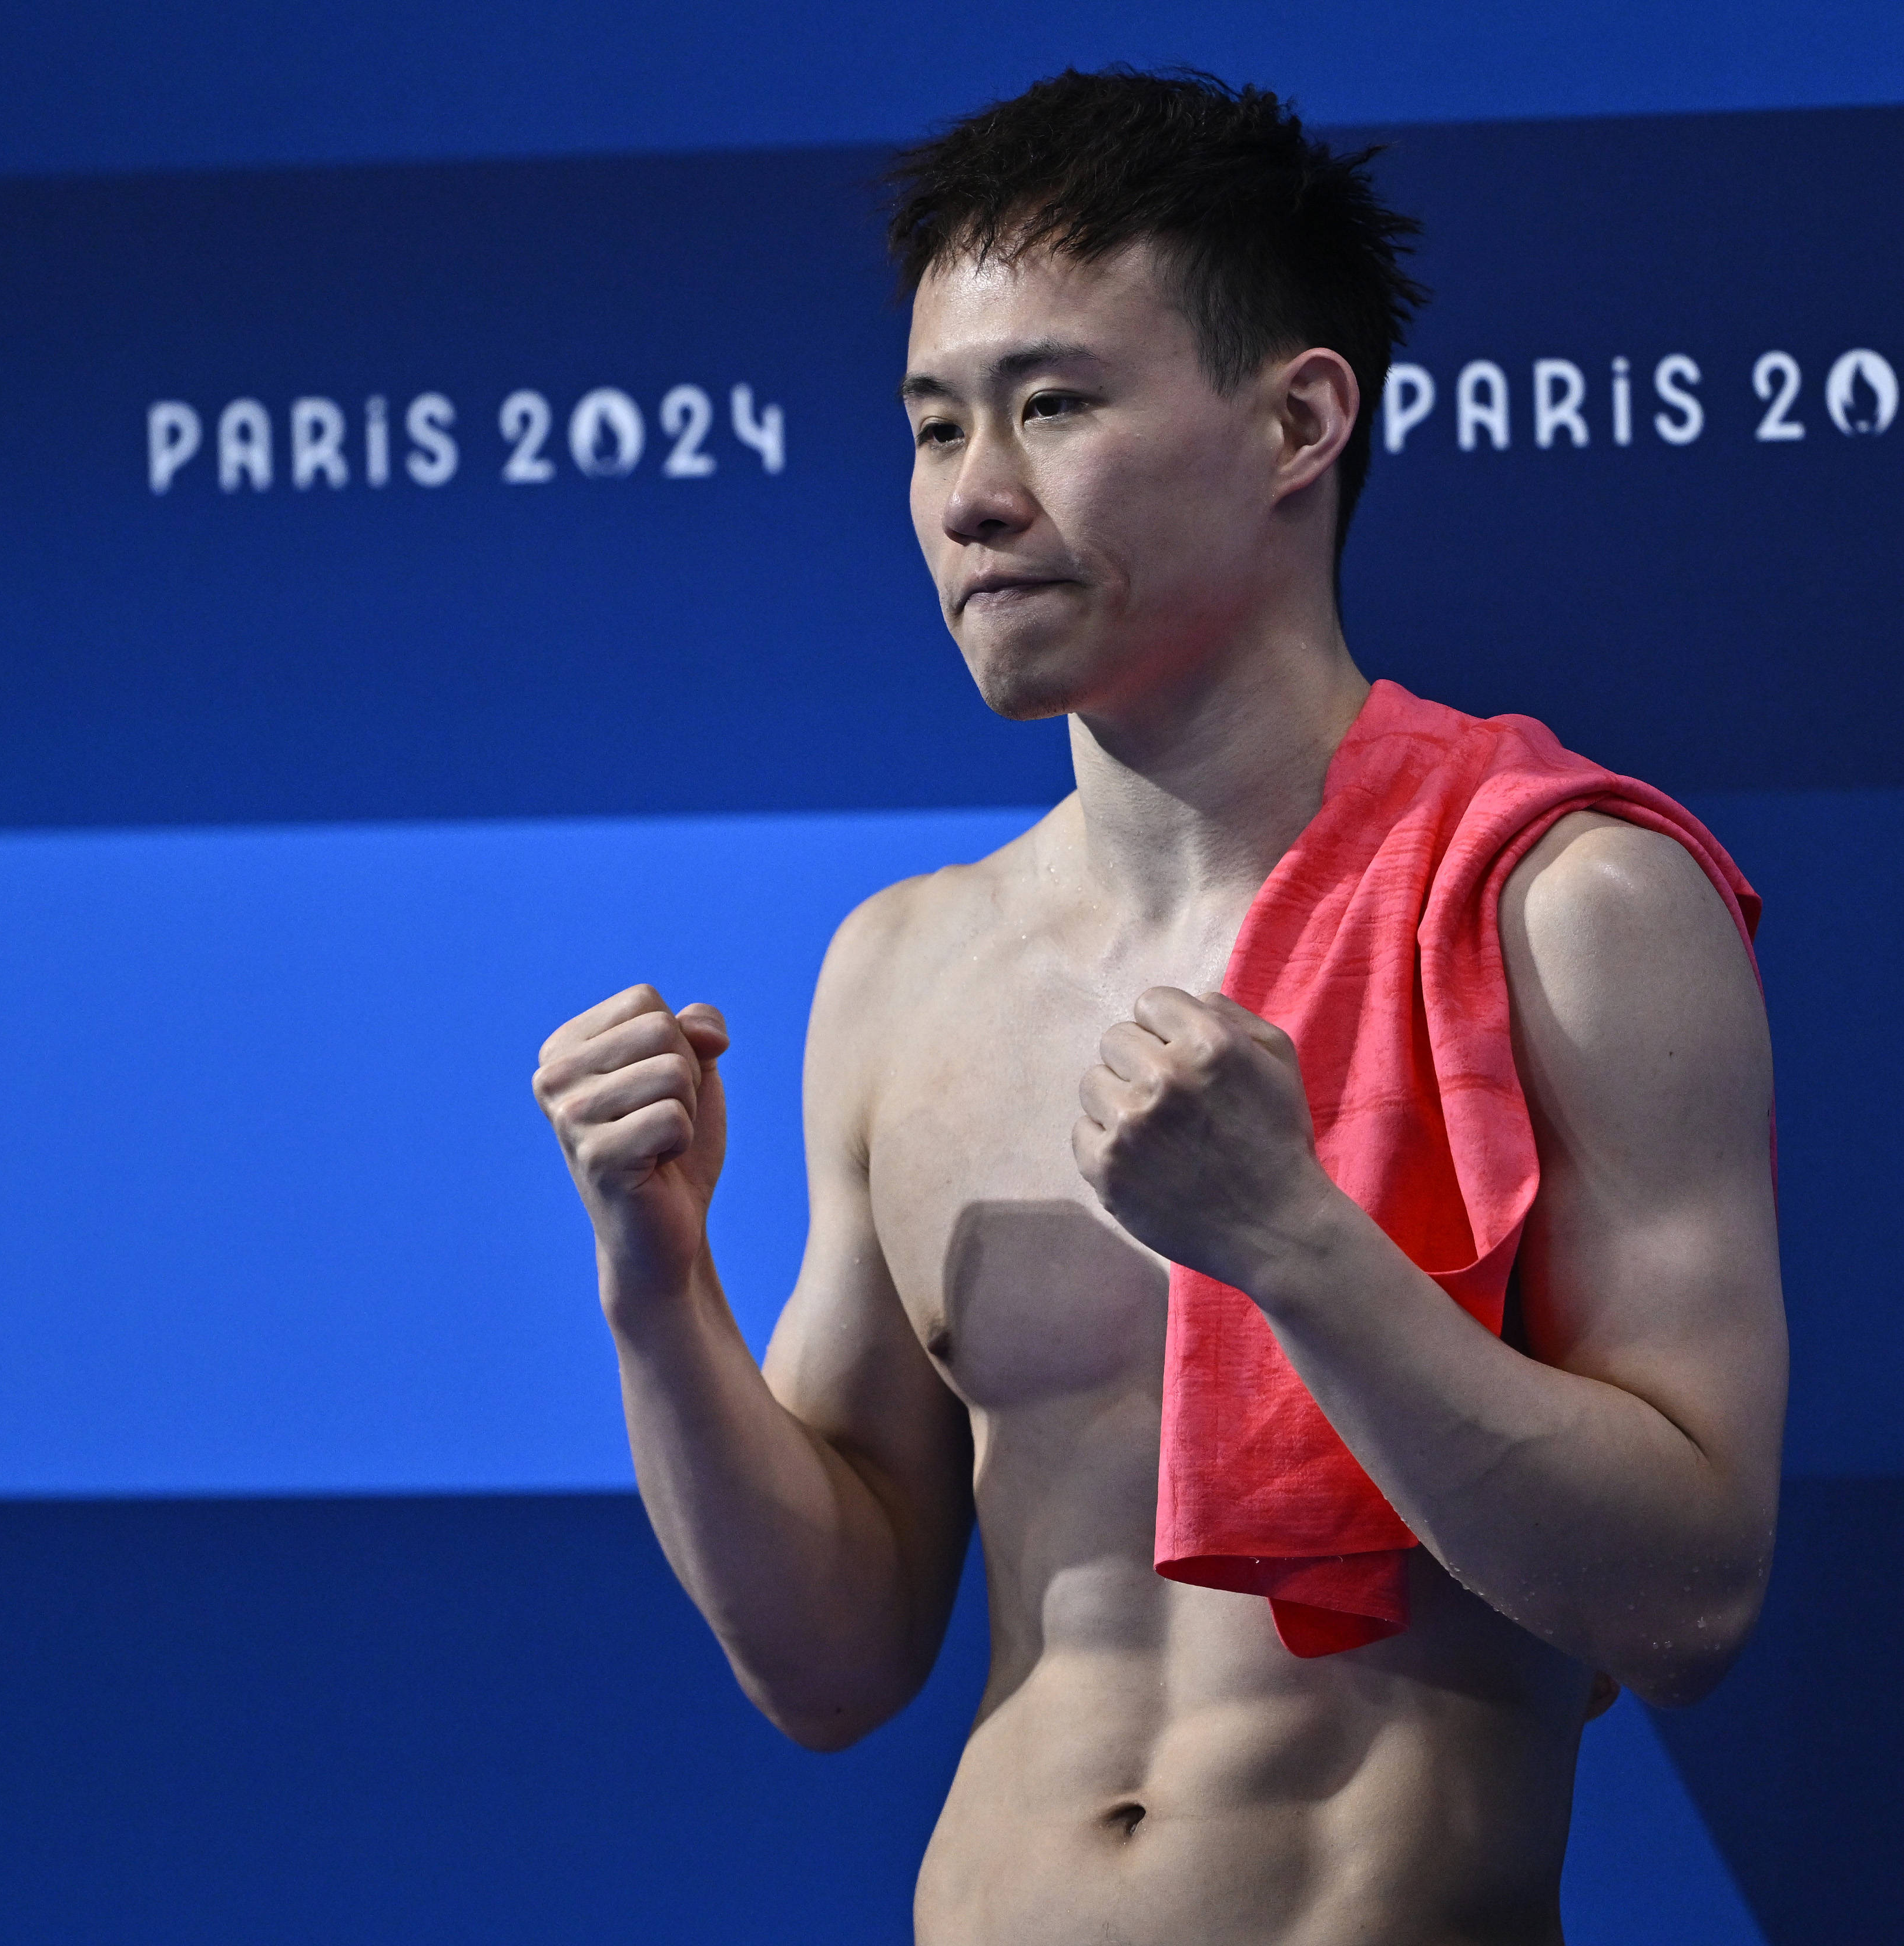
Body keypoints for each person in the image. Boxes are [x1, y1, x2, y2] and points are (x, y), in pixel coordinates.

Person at [531, 68, 1784, 1944]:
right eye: (932, 424)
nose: (971, 496)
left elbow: (1684, 1604)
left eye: (1052, 405)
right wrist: (655, 1288)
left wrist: (1291, 1240)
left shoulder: (1565, 906)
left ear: (1296, 421)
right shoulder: (904, 965)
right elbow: (831, 1665)